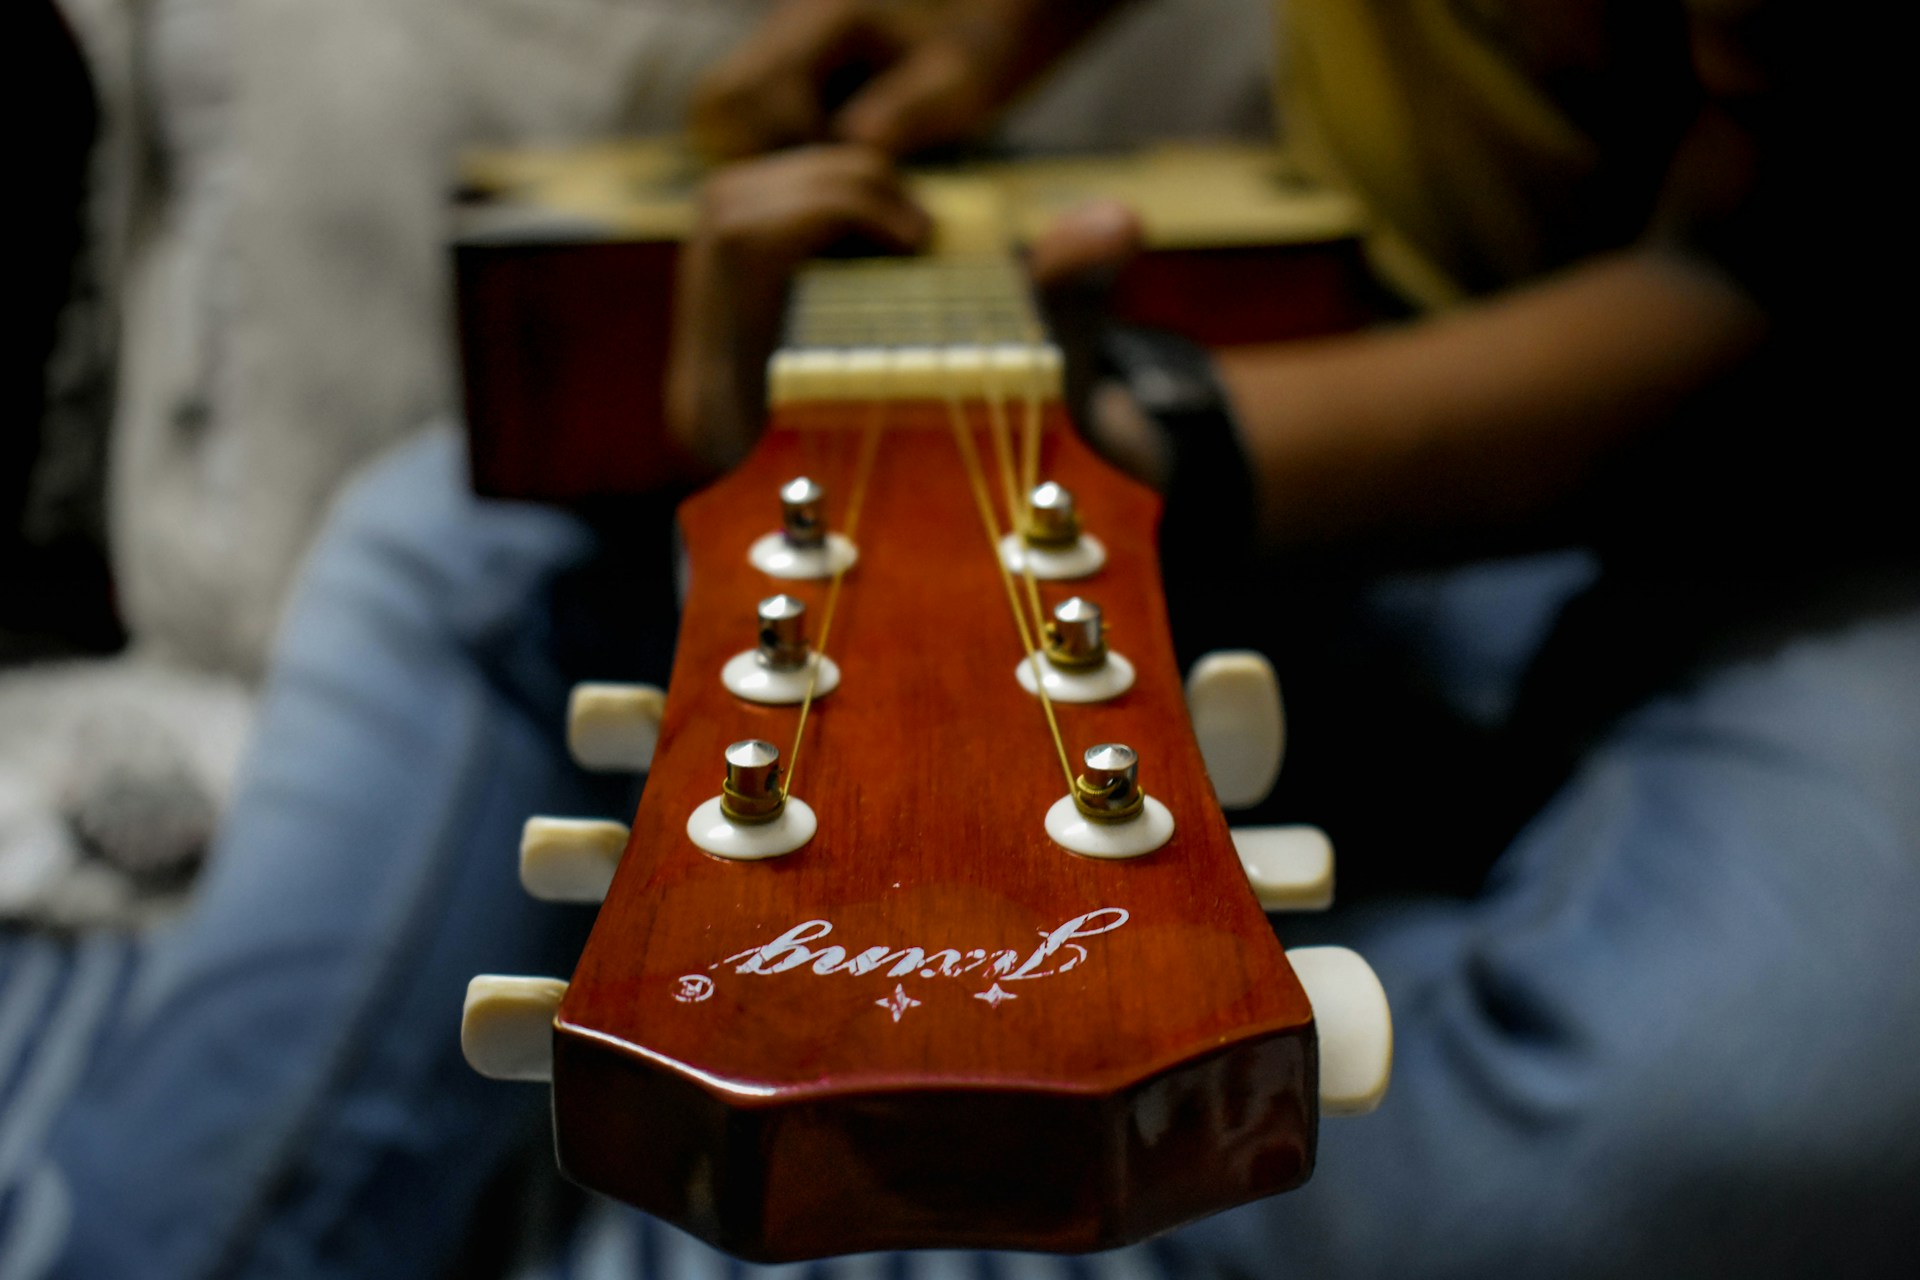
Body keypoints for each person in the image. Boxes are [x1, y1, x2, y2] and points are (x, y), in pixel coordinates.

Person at [12, 2, 1918, 1277]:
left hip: (1760, 480)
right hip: (1303, 329)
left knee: (1757, 1094)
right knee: (440, 533)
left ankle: (1084, 1097)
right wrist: (972, 40)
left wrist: (1167, 444)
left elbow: (1769, 294)